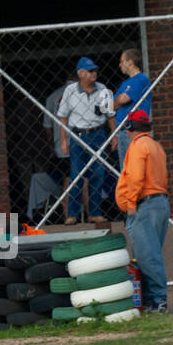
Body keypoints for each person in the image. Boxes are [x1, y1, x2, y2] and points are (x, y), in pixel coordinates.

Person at [115, 109, 169, 313]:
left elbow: (136, 178)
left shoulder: (138, 146)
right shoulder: (155, 146)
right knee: (150, 255)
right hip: (160, 203)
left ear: (130, 128)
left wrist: (130, 205)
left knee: (147, 257)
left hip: (144, 205)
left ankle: (157, 301)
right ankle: (150, 301)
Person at [56, 56, 116, 225]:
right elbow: (63, 117)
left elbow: (110, 114)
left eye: (95, 70)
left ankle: (95, 213)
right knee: (77, 175)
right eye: (90, 71)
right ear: (80, 73)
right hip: (78, 136)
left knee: (98, 173)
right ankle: (72, 214)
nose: (94, 73)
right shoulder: (70, 91)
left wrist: (114, 135)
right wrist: (63, 140)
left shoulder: (102, 89)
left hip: (98, 135)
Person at [113, 48, 152, 170]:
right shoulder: (125, 83)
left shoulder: (141, 79)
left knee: (136, 170)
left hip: (135, 130)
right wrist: (119, 99)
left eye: (122, 61)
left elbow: (123, 99)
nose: (120, 65)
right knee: (125, 171)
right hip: (122, 131)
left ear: (130, 62)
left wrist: (120, 99)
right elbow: (113, 105)